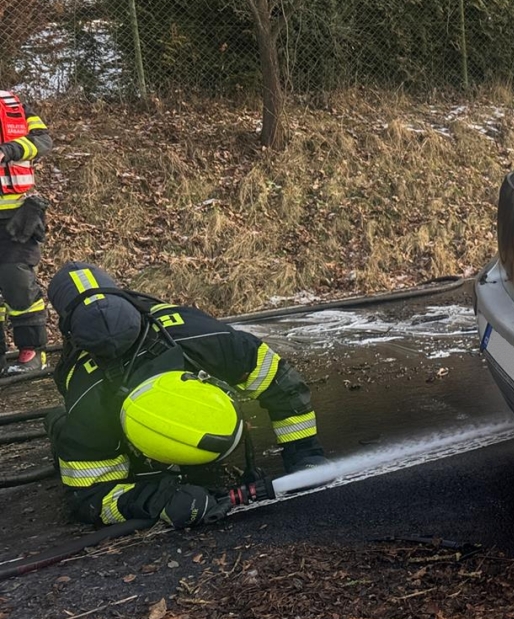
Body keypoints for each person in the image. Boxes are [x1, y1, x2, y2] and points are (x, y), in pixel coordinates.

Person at [45, 262, 325, 527]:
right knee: (68, 432)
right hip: (120, 439)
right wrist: (160, 501)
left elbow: (279, 382)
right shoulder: (88, 398)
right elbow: (90, 497)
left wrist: (303, 453)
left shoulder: (202, 337)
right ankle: (56, 422)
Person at [0, 89, 50, 376]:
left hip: (17, 215)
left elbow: (43, 141)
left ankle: (32, 352)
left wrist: (9, 150)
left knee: (15, 278)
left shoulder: (15, 105)